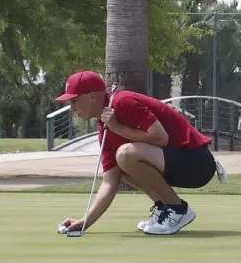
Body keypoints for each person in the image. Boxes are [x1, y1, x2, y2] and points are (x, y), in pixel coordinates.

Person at [55, 70, 228, 235]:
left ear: (92, 96)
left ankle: (178, 209)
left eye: (74, 101)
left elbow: (161, 138)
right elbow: (110, 181)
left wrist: (118, 127)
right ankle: (164, 208)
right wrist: (85, 221)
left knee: (125, 154)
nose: (72, 108)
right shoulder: (105, 130)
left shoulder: (123, 102)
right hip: (176, 163)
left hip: (197, 162)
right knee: (120, 166)